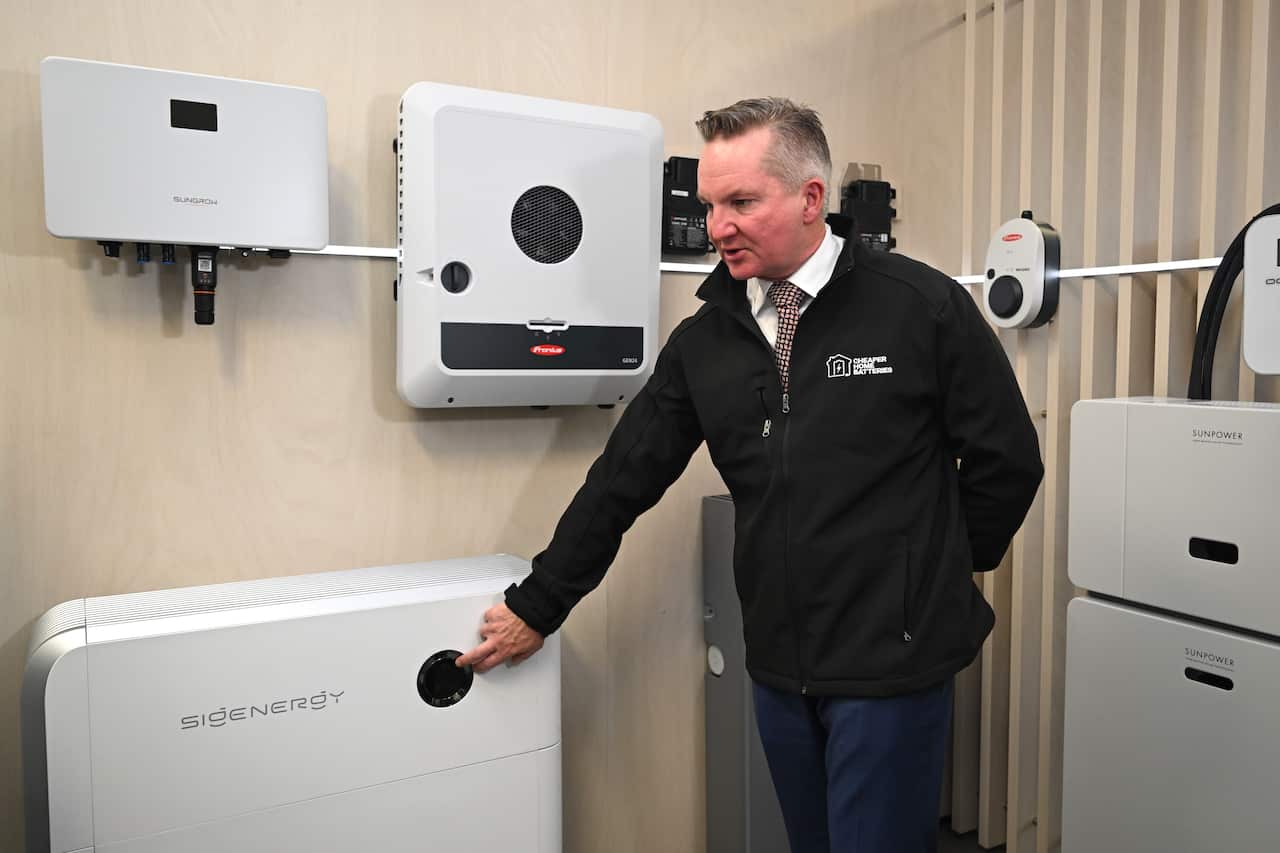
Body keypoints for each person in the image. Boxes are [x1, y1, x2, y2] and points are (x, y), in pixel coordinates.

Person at [457, 97, 1043, 853]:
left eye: (740, 202)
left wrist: (929, 575)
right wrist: (539, 604)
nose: (716, 226)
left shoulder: (919, 307)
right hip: (779, 662)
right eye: (709, 204)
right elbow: (622, 479)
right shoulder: (708, 341)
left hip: (891, 665)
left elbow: (1008, 461)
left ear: (809, 199)